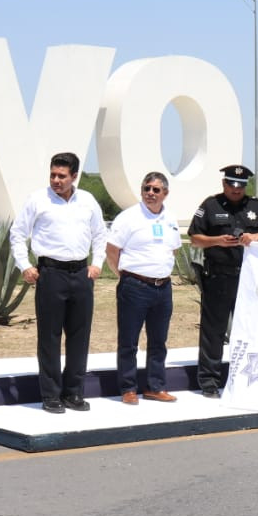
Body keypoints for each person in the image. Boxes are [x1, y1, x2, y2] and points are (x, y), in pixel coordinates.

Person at [10, 152, 108, 414]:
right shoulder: (37, 199)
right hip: (50, 274)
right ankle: (51, 395)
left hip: (81, 274)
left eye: (61, 176)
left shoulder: (87, 201)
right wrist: (25, 265)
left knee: (79, 336)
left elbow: (100, 234)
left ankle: (73, 393)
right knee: (49, 337)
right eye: (53, 174)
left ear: (74, 176)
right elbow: (17, 234)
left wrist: (97, 263)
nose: (56, 180)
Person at [188, 165, 258, 396]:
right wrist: (217, 241)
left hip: (249, 278)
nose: (236, 189)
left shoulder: (256, 206)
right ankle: (209, 381)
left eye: (241, 185)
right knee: (213, 331)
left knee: (250, 328)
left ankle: (248, 377)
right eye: (232, 184)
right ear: (224, 184)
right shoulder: (210, 205)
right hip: (218, 276)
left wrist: (255, 236)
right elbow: (195, 238)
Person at [105, 171, 181, 405]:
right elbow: (112, 251)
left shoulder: (170, 219)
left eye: (156, 190)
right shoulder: (128, 218)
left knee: (159, 340)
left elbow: (174, 250)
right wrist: (127, 276)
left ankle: (155, 387)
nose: (150, 193)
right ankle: (128, 388)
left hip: (163, 288)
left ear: (165, 194)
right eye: (146, 188)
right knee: (129, 341)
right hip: (135, 286)